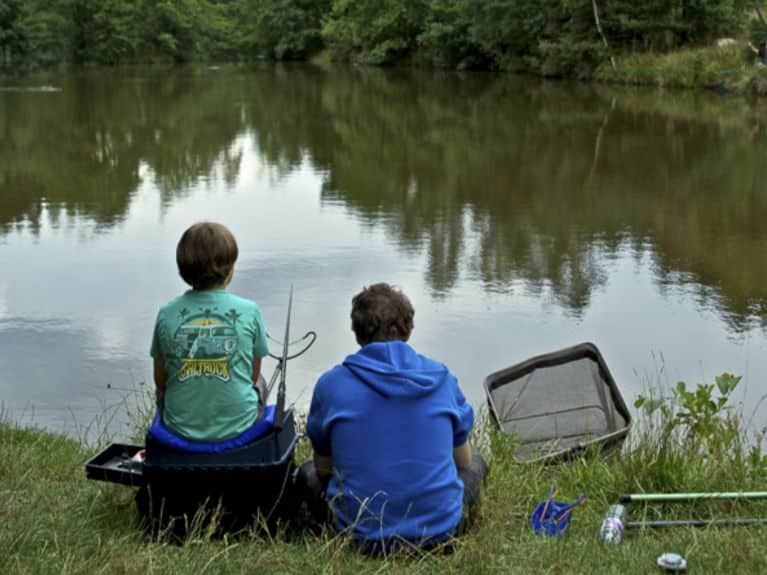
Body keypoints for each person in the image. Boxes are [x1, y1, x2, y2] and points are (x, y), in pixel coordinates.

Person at [301, 283, 487, 553]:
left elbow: (322, 468)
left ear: (356, 333)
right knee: (477, 464)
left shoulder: (330, 385)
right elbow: (464, 461)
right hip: (440, 535)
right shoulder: (442, 378)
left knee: (306, 473)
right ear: (409, 329)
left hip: (359, 536)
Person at [150, 222, 270, 441]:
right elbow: (252, 376)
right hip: (239, 427)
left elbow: (161, 382)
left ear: (182, 271)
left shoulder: (166, 314)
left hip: (179, 427)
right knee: (260, 382)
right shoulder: (250, 311)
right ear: (230, 270)